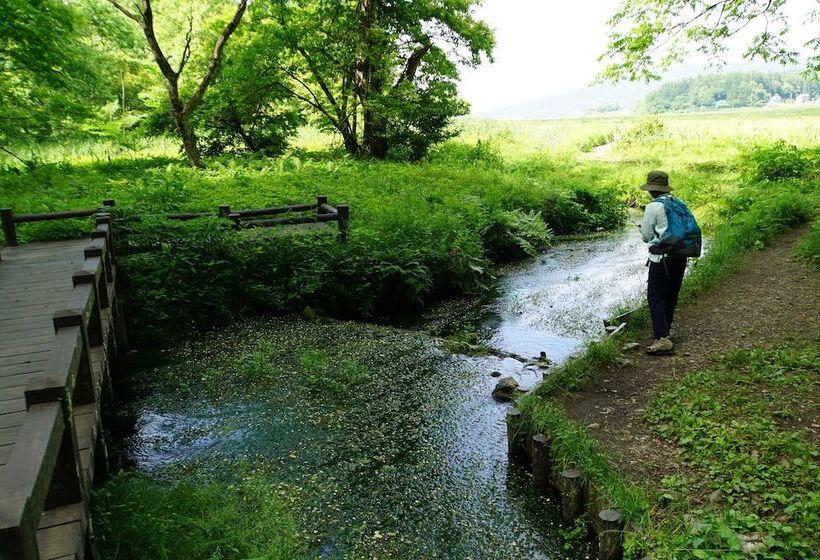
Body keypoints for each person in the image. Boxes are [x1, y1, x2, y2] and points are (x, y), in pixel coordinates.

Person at [639, 170, 687, 355]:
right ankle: (666, 331)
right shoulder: (678, 203)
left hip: (661, 258)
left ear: (651, 190)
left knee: (656, 297)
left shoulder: (653, 207)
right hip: (680, 255)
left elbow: (646, 236)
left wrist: (650, 235)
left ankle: (662, 339)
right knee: (671, 295)